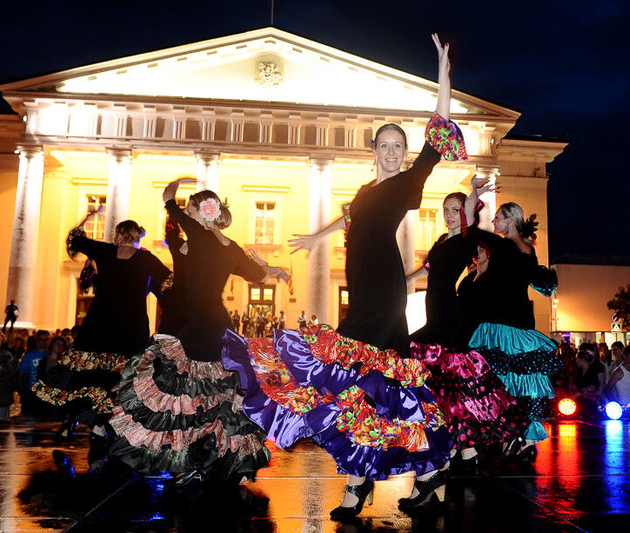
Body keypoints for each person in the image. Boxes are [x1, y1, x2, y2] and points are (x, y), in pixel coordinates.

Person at [225, 34, 462, 518]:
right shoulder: (364, 189)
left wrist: (443, 69)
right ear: (374, 149)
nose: (394, 152)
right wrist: (316, 237)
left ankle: (384, 476)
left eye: (399, 146)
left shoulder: (408, 181)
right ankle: (387, 476)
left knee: (372, 383)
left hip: (385, 292)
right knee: (362, 388)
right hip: (363, 292)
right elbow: (351, 216)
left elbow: (439, 128)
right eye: (387, 145)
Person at [109, 178, 288, 486]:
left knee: (186, 392)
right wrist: (269, 267)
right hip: (217, 321)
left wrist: (179, 183)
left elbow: (167, 200)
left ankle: (192, 457)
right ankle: (215, 457)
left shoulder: (199, 234)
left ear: (202, 212)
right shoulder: (229, 247)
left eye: (191, 209)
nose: (187, 214)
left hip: (194, 322)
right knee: (216, 394)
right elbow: (257, 275)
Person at [407, 186, 528, 473]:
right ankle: (468, 452)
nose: (448, 215)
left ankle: (456, 450)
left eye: (455, 210)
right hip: (435, 313)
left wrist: (472, 193)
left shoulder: (465, 240)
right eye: (445, 210)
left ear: (465, 213)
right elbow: (425, 270)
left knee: (413, 356)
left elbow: (470, 215)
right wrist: (401, 279)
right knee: (452, 388)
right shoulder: (439, 243)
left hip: (448, 316)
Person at [32, 208, 172, 448]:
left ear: (118, 235)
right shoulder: (146, 259)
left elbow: (74, 238)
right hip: (131, 326)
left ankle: (95, 420)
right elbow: (170, 280)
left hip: (100, 324)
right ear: (137, 236)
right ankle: (111, 424)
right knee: (125, 376)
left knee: (90, 375)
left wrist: (89, 217)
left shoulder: (105, 251)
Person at [455, 201, 560, 458]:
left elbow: (473, 229)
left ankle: (513, 436)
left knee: (498, 382)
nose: (494, 223)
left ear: (510, 220)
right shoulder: (526, 250)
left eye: (498, 218)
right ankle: (520, 437)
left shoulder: (503, 248)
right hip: (518, 325)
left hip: (503, 327)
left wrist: (473, 196)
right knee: (519, 381)